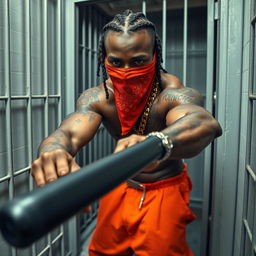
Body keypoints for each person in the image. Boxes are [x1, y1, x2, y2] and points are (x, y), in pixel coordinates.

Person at [31, 9, 222, 256]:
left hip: (163, 189)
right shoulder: (99, 97)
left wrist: (156, 143)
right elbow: (68, 132)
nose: (127, 70)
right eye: (117, 62)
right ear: (104, 59)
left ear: (155, 55)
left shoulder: (172, 93)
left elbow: (203, 123)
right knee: (104, 252)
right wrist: (53, 149)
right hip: (118, 183)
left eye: (139, 61)